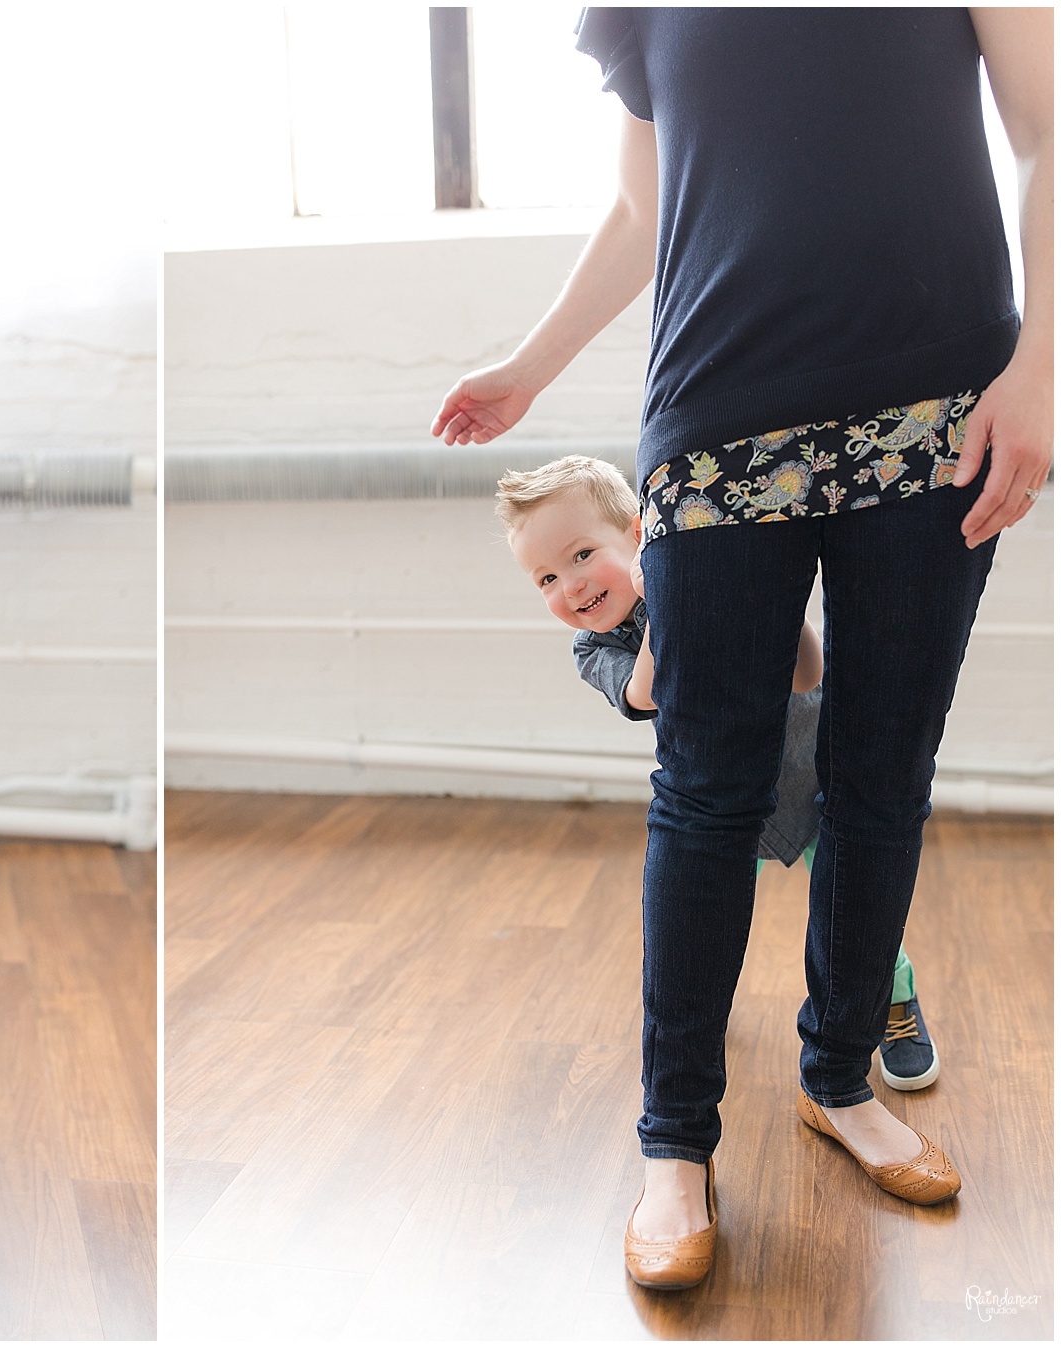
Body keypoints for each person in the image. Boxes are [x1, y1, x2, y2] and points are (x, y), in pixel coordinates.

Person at [431, 8, 1050, 1291]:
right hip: (718, 420)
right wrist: (532, 367)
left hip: (937, 406)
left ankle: (836, 1078)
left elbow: (1051, 130)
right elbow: (644, 209)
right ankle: (676, 1146)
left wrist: (1044, 364)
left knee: (880, 775)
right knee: (707, 792)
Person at [496, 454, 942, 1090]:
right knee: (704, 912)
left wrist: (771, 607)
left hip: (814, 782)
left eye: (581, 556)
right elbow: (643, 694)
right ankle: (697, 1012)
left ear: (640, 533)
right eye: (544, 579)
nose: (568, 587)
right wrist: (665, 602)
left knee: (850, 909)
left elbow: (808, 674)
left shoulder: (719, 580)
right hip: (728, 799)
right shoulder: (597, 644)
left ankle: (892, 999)